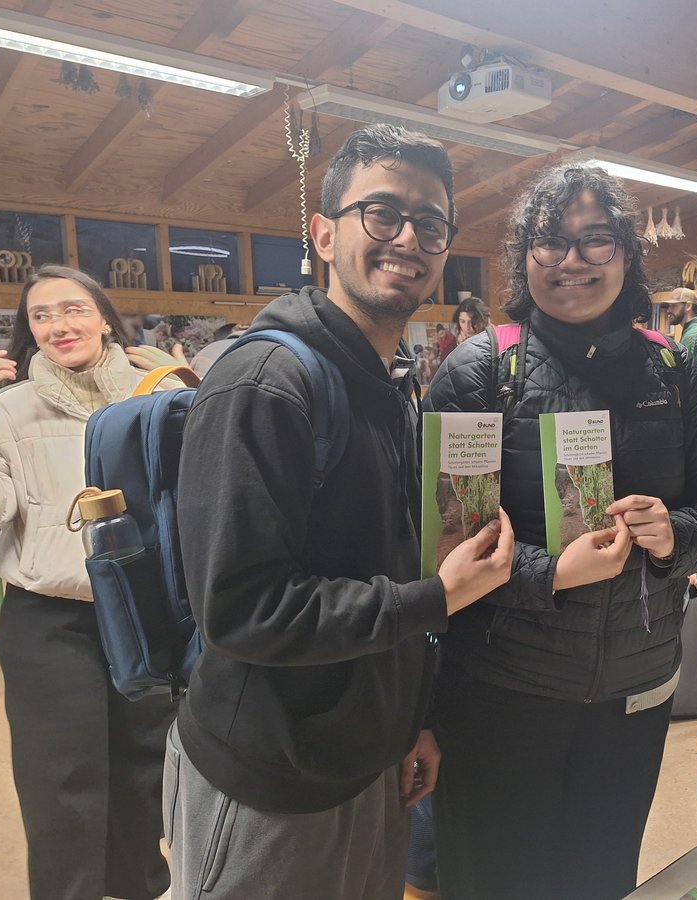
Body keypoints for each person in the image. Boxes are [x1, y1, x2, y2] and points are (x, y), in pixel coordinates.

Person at [166, 125, 514, 899]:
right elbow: (241, 610)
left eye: (430, 223)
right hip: (271, 777)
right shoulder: (264, 384)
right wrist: (441, 596)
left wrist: (407, 723)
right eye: (381, 213)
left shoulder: (389, 384)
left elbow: (375, 564)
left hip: (369, 763)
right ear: (324, 234)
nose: (407, 239)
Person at [423, 162, 697, 900]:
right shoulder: (482, 371)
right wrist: (553, 573)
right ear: (524, 257)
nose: (571, 261)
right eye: (550, 241)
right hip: (503, 693)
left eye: (595, 241)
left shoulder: (673, 374)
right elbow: (446, 544)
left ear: (628, 256)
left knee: (599, 880)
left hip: (632, 695)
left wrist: (674, 534)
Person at [0, 265, 174, 899]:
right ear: (30, 331)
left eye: (72, 309)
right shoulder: (8, 409)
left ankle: (139, 889)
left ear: (104, 317)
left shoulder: (153, 394)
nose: (58, 325)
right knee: (60, 783)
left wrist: (191, 384)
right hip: (50, 619)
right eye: (41, 316)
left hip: (143, 610)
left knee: (144, 771)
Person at [665, 286, 697, 366]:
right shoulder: (691, 331)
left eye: (674, 305)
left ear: (688, 306)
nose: (669, 310)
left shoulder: (694, 336)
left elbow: (691, 376)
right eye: (669, 305)